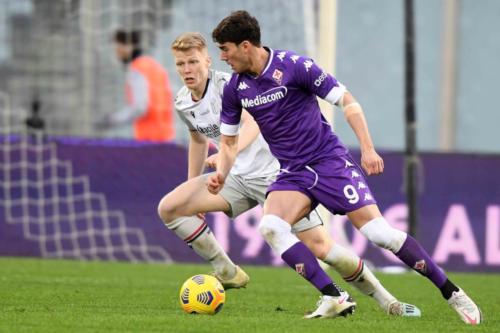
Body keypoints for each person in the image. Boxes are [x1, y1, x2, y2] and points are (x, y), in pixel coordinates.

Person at [209, 11, 482, 324]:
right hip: (293, 173)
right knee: (271, 227)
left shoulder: (295, 66)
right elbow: (229, 144)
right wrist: (221, 173)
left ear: (246, 46)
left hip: (329, 162)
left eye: (225, 48)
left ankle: (452, 292)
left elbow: (347, 101)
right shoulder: (235, 88)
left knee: (380, 234)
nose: (223, 56)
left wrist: (367, 148)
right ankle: (333, 295)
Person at [158, 32, 420, 319]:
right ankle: (227, 271)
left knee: (323, 248)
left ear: (207, 60)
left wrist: (224, 155)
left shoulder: (230, 86)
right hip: (234, 178)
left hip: (277, 176)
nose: (187, 70)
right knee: (171, 208)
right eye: (181, 64)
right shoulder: (183, 101)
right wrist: (193, 189)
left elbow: (253, 125)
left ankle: (386, 300)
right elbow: (197, 141)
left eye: (193, 62)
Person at [95, 30, 175, 142]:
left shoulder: (137, 68)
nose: (117, 53)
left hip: (148, 140)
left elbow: (140, 107)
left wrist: (111, 119)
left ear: (129, 46)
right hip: (165, 137)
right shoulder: (155, 66)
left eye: (118, 47)